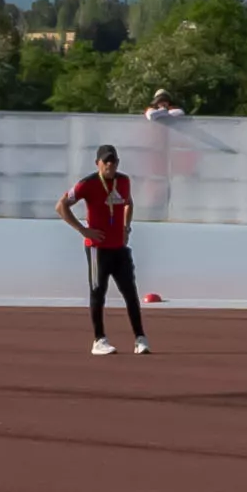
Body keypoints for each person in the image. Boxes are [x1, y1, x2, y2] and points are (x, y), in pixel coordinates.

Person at [60, 142, 147, 356]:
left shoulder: (124, 181)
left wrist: (126, 227)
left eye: (114, 161)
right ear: (98, 163)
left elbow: (128, 202)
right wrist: (83, 230)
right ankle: (99, 340)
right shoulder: (87, 184)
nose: (110, 165)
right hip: (97, 248)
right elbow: (61, 205)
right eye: (106, 161)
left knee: (130, 292)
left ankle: (140, 338)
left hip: (119, 247)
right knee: (98, 292)